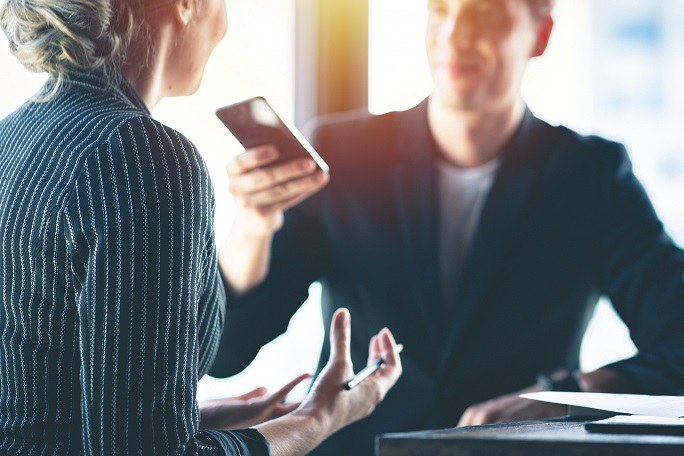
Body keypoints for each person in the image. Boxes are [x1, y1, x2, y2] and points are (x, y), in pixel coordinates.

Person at [212, 0, 684, 454]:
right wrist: (253, 226)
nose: (454, 35)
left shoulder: (591, 174)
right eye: (440, 9)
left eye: (485, 14)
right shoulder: (345, 153)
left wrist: (563, 395)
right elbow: (226, 352)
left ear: (540, 35)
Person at [0, 0, 402, 455]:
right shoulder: (142, 158)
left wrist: (204, 417)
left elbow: (49, 405)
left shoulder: (11, 139)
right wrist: (318, 418)